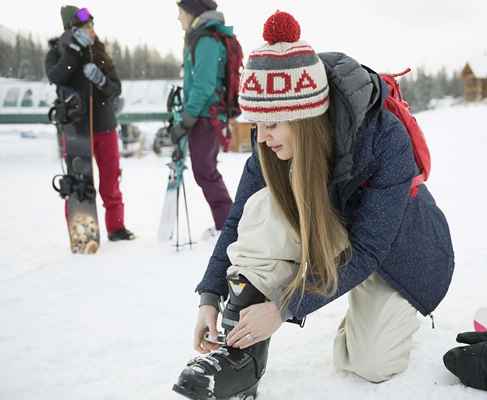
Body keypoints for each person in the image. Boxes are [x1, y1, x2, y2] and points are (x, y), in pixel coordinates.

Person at [173, 11, 454, 400]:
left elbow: (370, 248)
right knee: (263, 207)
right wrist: (211, 295)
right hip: (337, 237)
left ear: (303, 117)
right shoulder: (269, 145)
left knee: (370, 364)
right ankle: (240, 355)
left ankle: (371, 318)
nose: (263, 136)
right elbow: (238, 220)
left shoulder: (385, 138)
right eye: (257, 124)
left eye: (272, 124)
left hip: (397, 254)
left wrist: (284, 307)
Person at [45, 5, 135, 242]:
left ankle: (116, 228)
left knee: (110, 178)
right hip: (76, 128)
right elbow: (56, 76)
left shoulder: (100, 52)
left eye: (92, 26)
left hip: (105, 125)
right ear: (71, 29)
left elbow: (116, 88)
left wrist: (101, 80)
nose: (91, 30)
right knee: (79, 183)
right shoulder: (57, 52)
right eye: (86, 26)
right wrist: (74, 52)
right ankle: (82, 233)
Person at [171, 0, 234, 240]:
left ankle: (227, 227)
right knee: (205, 171)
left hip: (207, 117)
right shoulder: (199, 37)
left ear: (192, 13)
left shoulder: (206, 40)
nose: (179, 18)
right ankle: (226, 225)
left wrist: (187, 119)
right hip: (203, 115)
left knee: (206, 171)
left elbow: (204, 85)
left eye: (181, 13)